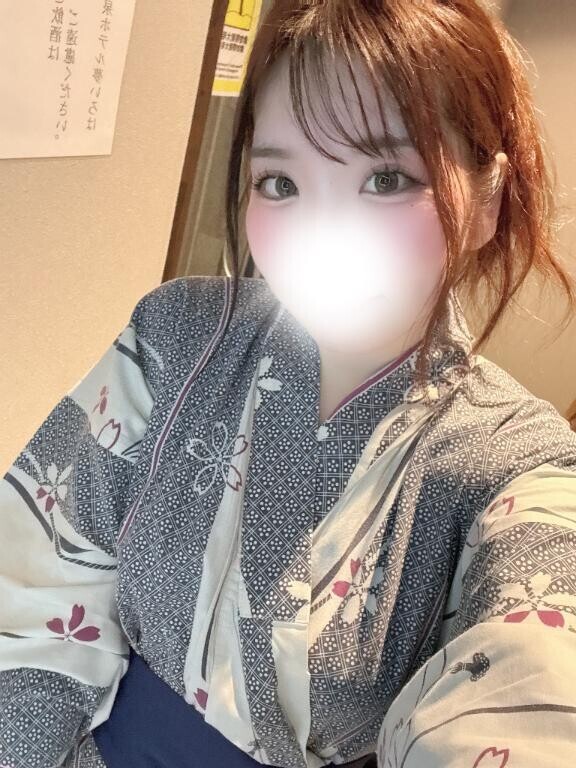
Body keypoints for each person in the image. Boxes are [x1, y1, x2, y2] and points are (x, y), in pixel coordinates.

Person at [1, 1, 576, 766]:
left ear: (487, 201)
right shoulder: (176, 336)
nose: (321, 231)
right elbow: (36, 574)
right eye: (279, 182)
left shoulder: (513, 457)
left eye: (386, 177)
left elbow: (537, 673)